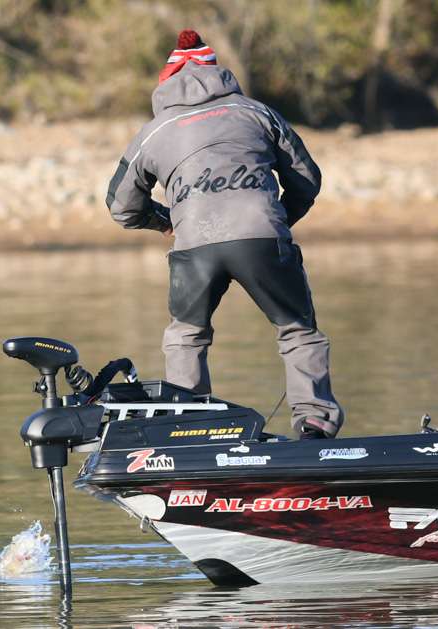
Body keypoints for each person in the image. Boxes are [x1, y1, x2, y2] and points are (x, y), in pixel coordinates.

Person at [105, 30, 343, 439]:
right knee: (298, 332)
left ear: (165, 82)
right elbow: (307, 179)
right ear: (218, 72)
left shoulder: (153, 132)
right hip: (262, 237)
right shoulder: (257, 112)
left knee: (186, 336)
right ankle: (314, 424)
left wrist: (165, 221)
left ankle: (188, 430)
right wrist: (279, 219)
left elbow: (121, 207)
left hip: (193, 247)